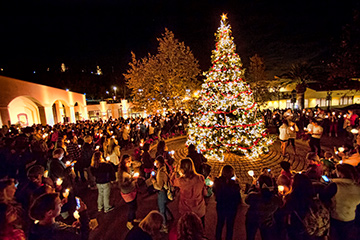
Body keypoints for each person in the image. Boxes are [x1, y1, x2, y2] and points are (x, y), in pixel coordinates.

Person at [322, 164, 360, 240]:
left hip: (336, 218)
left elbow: (323, 197)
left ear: (341, 173)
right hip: (350, 218)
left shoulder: (336, 186)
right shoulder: (358, 186)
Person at [171, 158, 207, 226]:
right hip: (199, 210)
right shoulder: (200, 178)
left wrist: (174, 172)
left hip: (186, 211)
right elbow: (205, 193)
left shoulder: (181, 181)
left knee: (187, 230)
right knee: (200, 228)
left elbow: (172, 181)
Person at [245, 175, 282, 240]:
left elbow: (247, 199)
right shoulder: (275, 199)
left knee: (250, 237)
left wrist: (253, 187)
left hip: (252, 220)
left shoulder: (254, 196)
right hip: (267, 222)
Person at [213, 165, 241, 240]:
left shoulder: (218, 182)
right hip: (231, 208)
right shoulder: (235, 185)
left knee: (220, 223)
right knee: (230, 226)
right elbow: (238, 198)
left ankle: (218, 238)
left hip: (221, 206)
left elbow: (214, 191)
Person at [151, 156, 173, 232]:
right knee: (164, 206)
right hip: (165, 192)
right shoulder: (163, 169)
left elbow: (159, 186)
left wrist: (153, 181)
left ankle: (165, 226)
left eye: (156, 163)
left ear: (160, 163)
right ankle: (170, 217)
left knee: (162, 210)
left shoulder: (161, 173)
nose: (155, 165)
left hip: (162, 193)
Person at [118, 155, 139, 230]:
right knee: (131, 207)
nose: (130, 162)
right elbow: (121, 184)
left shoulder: (128, 168)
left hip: (132, 189)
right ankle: (129, 222)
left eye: (130, 160)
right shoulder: (121, 172)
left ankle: (133, 219)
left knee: (135, 206)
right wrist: (131, 180)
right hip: (127, 192)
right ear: (124, 162)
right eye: (128, 161)